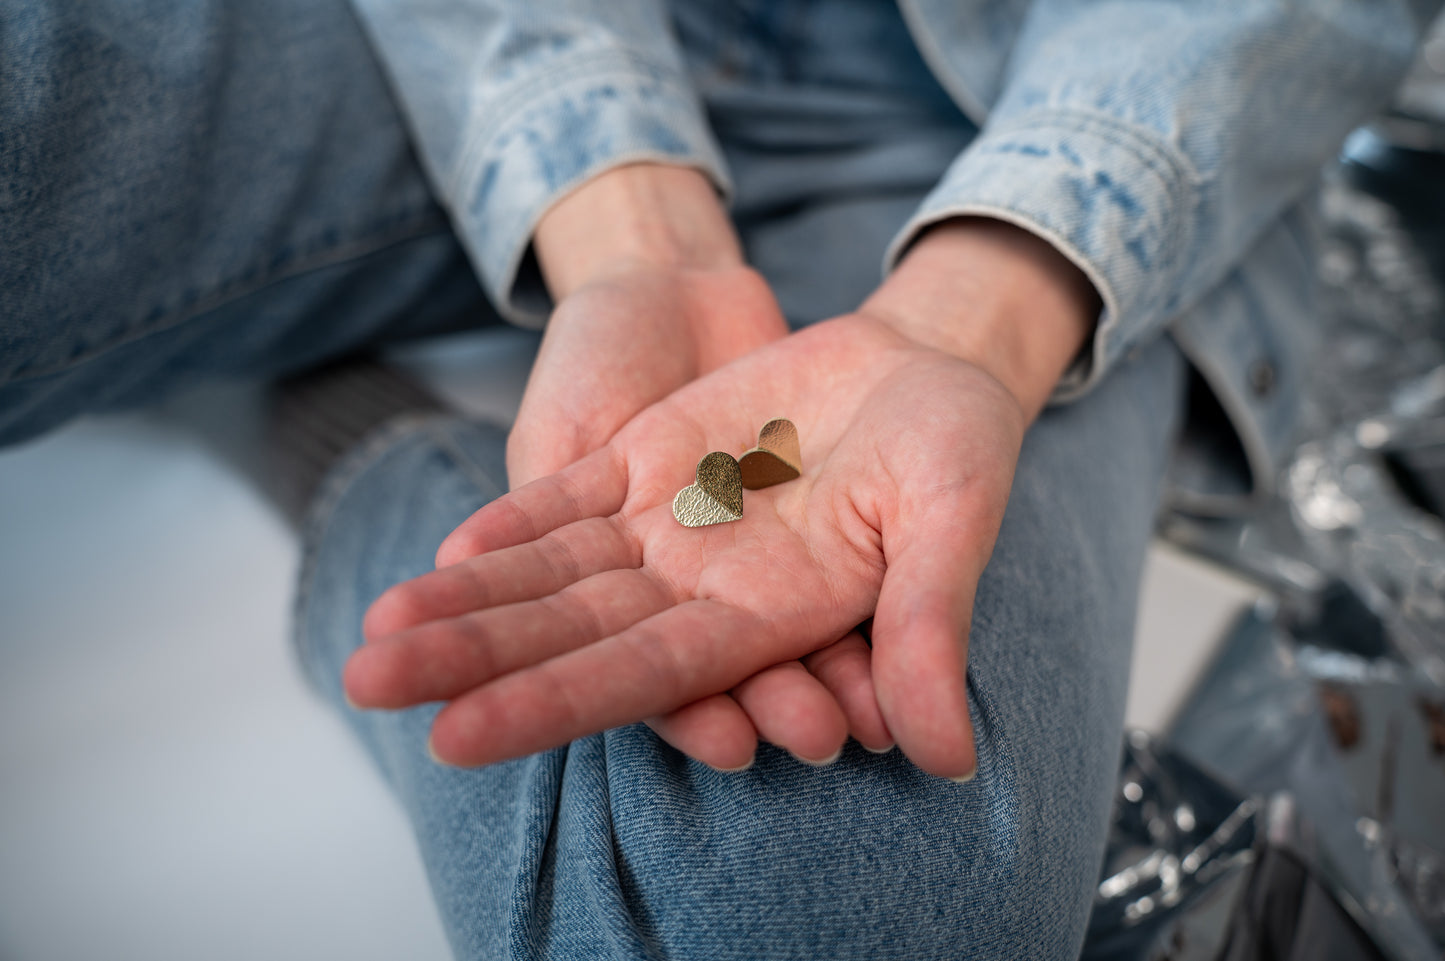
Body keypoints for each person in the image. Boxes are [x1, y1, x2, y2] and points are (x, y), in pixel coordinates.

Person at [1, 0, 1432, 957]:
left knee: (844, 898)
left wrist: (974, 318)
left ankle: (315, 415)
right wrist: (621, 217)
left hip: (1014, 130)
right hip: (483, 42)